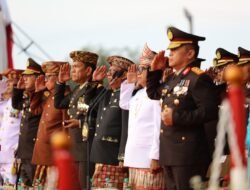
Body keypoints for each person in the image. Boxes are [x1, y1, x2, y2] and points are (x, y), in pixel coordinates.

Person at [146, 27, 219, 190]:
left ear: (190, 54)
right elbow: (154, 94)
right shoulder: (175, 78)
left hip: (188, 154)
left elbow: (210, 111)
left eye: (174, 50)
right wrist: (155, 72)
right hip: (170, 152)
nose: (169, 53)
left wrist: (177, 117)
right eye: (170, 50)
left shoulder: (198, 78)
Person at [119, 43, 166, 189]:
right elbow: (124, 104)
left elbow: (159, 128)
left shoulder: (156, 95)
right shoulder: (139, 93)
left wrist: (155, 157)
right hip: (134, 155)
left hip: (148, 157)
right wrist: (129, 83)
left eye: (143, 69)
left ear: (153, 72)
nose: (138, 72)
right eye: (138, 69)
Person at [54, 51, 100, 188]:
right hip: (75, 146)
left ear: (88, 70)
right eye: (72, 67)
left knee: (83, 185)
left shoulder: (96, 89)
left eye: (76, 67)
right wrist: (61, 82)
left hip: (86, 146)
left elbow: (88, 109)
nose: (72, 70)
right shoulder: (77, 90)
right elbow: (59, 103)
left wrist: (79, 122)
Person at [90, 55, 133, 189]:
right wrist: (95, 83)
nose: (108, 73)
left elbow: (126, 128)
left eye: (113, 70)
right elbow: (89, 106)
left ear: (124, 75)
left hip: (112, 154)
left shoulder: (126, 96)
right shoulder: (107, 93)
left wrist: (122, 156)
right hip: (99, 153)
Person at [31, 61, 68, 185]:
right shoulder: (50, 96)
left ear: (59, 77)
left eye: (48, 76)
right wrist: (38, 91)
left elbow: (66, 128)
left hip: (53, 155)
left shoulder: (65, 96)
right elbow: (35, 110)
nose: (45, 80)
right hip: (43, 154)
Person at [12, 58, 44, 187]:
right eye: (24, 76)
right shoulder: (27, 95)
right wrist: (18, 90)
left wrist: (37, 91)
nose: (24, 79)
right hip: (24, 149)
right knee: (23, 185)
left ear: (38, 78)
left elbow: (36, 111)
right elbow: (17, 106)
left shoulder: (41, 96)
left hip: (33, 149)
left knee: (33, 183)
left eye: (28, 77)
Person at [0, 69, 23, 185]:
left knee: (12, 184)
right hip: (3, 152)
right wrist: (1, 78)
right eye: (7, 82)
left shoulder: (23, 102)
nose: (8, 85)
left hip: (14, 153)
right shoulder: (7, 103)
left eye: (12, 83)